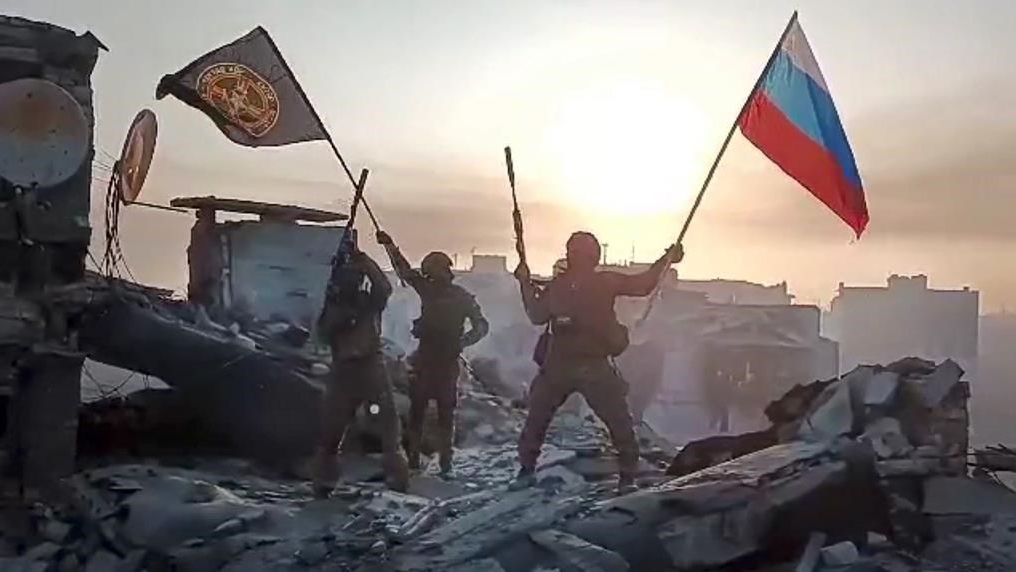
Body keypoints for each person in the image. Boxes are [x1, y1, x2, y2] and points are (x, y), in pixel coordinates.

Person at [512, 231, 683, 493]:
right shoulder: (603, 282)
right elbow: (644, 284)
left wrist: (525, 285)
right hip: (590, 365)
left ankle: (526, 471)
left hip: (560, 365)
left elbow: (536, 315)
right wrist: (666, 259)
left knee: (538, 420)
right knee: (619, 423)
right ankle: (627, 478)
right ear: (595, 256)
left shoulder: (558, 286)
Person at [376, 231, 489, 475]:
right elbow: (404, 271)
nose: (430, 276)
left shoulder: (454, 295)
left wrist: (461, 343)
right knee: (426, 412)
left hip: (442, 361)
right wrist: (390, 246)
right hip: (429, 359)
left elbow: (481, 326)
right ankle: (420, 460)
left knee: (440, 414)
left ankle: (441, 461)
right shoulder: (436, 291)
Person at [312, 232, 409, 496]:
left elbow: (383, 287)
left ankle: (398, 479)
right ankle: (324, 483)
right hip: (344, 371)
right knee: (332, 432)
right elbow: (322, 335)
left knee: (388, 428)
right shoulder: (333, 310)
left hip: (369, 367)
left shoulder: (368, 304)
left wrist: (363, 260)